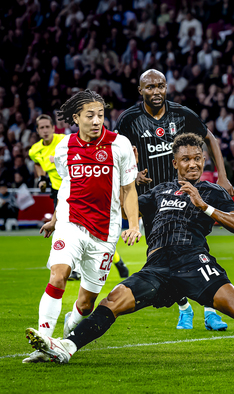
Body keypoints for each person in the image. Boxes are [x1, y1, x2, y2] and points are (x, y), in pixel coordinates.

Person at [25, 133, 234, 364]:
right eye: (186, 159)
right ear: (175, 163)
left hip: (194, 262)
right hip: (157, 267)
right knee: (112, 301)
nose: (193, 163)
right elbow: (120, 205)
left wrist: (203, 206)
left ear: (204, 160)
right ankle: (67, 347)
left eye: (197, 158)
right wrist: (128, 175)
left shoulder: (212, 192)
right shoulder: (160, 191)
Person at [23, 90, 141, 363]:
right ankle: (44, 339)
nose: (97, 120)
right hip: (71, 223)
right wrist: (55, 218)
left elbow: (128, 189)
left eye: (101, 115)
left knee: (86, 305)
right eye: (90, 115)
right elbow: (66, 186)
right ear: (76, 118)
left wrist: (133, 224)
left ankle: (65, 331)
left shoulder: (119, 144)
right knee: (58, 274)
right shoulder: (64, 147)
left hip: (105, 232)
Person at [115, 69, 233, 331]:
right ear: (140, 90)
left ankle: (210, 310)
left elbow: (209, 137)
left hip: (186, 195)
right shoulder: (128, 120)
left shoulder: (181, 114)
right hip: (152, 201)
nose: (156, 92)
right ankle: (184, 307)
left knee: (196, 249)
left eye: (160, 86)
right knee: (160, 256)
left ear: (166, 87)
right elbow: (117, 153)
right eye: (150, 87)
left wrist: (222, 176)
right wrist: (132, 176)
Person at [29, 114, 130, 280]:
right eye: (42, 128)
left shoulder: (65, 141)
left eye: (48, 127)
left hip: (82, 190)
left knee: (91, 232)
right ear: (37, 131)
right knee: (70, 232)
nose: (45, 130)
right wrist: (41, 179)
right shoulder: (35, 150)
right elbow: (37, 162)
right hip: (60, 193)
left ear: (54, 128)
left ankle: (115, 261)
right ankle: (74, 268)